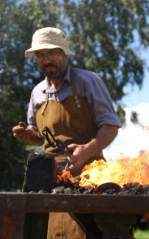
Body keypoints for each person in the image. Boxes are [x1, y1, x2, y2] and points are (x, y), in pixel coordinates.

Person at [12, 27, 121, 239]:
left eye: (52, 52)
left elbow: (111, 126)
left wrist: (87, 150)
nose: (46, 60)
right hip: (48, 179)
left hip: (90, 174)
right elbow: (39, 134)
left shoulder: (88, 81)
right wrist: (28, 134)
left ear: (64, 53)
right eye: (39, 55)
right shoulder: (37, 92)